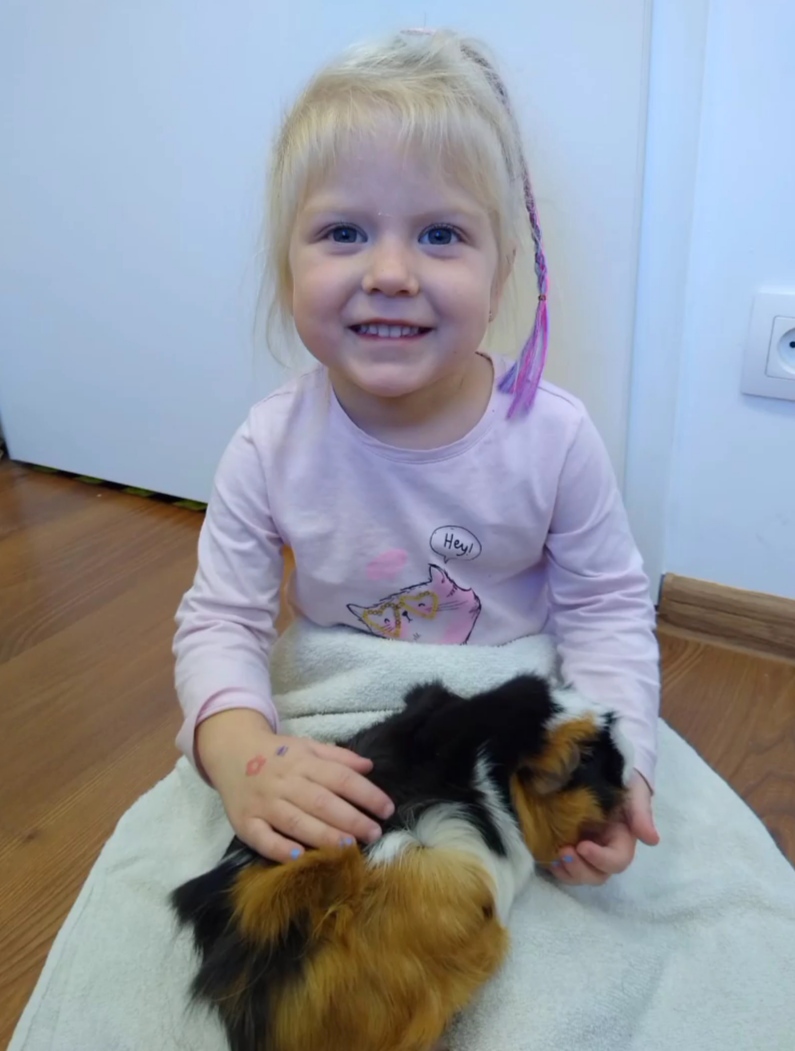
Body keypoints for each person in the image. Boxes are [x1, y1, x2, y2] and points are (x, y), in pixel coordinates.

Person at [173, 27, 661, 888]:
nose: (391, 272)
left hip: (506, 705)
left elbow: (606, 610)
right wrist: (245, 753)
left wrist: (622, 767)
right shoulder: (267, 446)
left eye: (439, 234)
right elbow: (221, 622)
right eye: (343, 232)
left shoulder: (554, 439)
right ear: (286, 270)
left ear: (501, 274)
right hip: (341, 705)